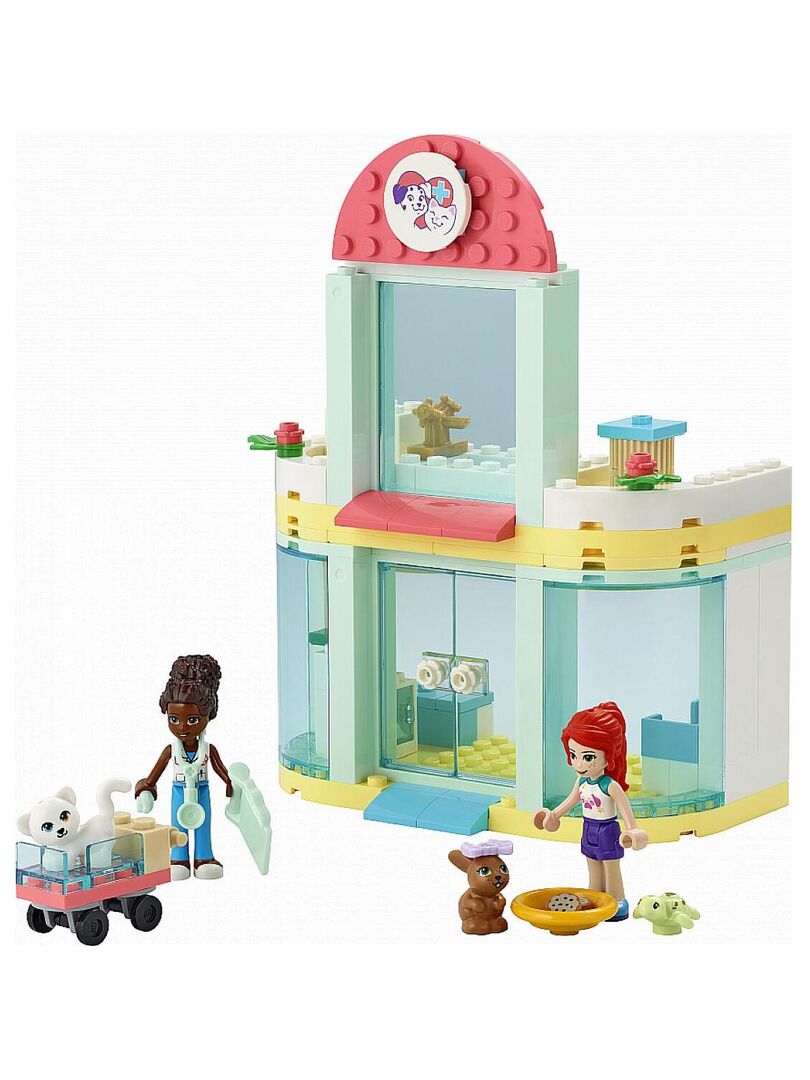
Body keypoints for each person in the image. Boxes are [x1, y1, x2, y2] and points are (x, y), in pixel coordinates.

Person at [533, 701, 647, 921]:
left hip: (607, 830)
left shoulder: (610, 785)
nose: (578, 764)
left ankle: (616, 899)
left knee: (610, 867)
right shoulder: (582, 782)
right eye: (573, 755)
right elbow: (570, 801)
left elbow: (625, 808)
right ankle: (594, 897)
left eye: (588, 757)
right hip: (588, 828)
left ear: (609, 755)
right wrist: (553, 815)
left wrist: (632, 829)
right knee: (593, 864)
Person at [135, 655, 232, 880]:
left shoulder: (207, 749)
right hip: (179, 791)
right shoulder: (171, 750)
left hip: (202, 790)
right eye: (174, 719)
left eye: (192, 720)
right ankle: (178, 859)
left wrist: (230, 783)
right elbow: (154, 774)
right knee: (178, 826)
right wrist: (146, 788)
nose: (181, 727)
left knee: (204, 824)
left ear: (208, 716)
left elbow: (221, 770)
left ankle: (203, 858)